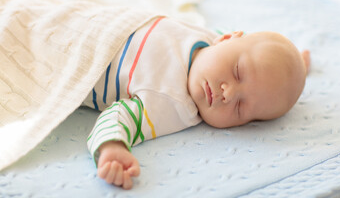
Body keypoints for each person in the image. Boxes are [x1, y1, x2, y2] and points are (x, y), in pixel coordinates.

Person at [83, 16, 310, 189]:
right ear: (226, 38)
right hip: (106, 19)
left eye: (240, 108)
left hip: (79, 53)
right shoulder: (211, 39)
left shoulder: (171, 105)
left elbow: (119, 117)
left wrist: (112, 148)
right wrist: (294, 65)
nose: (228, 94)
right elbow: (258, 57)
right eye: (238, 72)